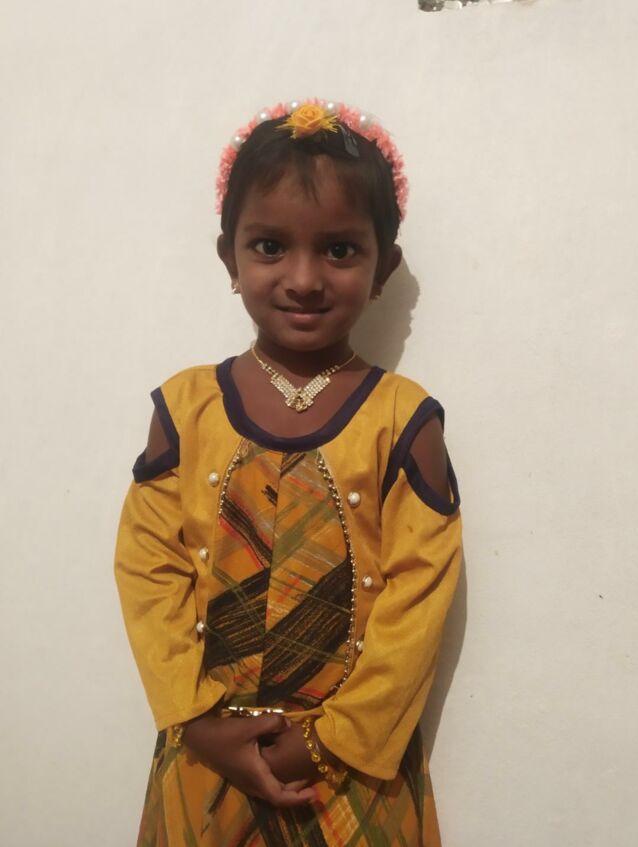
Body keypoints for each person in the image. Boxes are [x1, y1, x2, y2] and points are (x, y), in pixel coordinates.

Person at [115, 99, 463, 847]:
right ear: (229, 258)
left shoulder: (405, 422)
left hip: (351, 779)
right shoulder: (184, 410)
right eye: (270, 245)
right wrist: (198, 721)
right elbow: (148, 571)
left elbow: (418, 602)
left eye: (339, 250)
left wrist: (329, 741)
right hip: (205, 761)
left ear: (383, 267)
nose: (304, 279)